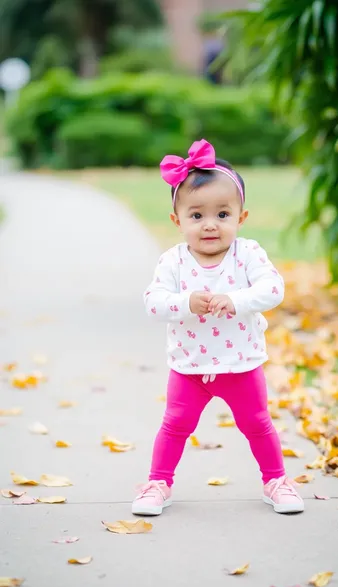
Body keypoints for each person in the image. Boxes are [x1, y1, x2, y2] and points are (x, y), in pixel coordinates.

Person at [132, 139, 304, 517]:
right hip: (189, 366)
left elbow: (273, 288)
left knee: (257, 423)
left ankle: (275, 480)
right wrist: (184, 302)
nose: (210, 224)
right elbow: (153, 301)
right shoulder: (173, 262)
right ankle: (158, 482)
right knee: (175, 424)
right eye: (197, 216)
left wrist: (237, 299)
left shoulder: (248, 254)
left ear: (240, 218)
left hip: (240, 364)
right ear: (178, 221)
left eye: (223, 214)